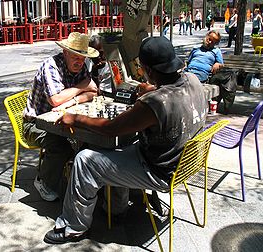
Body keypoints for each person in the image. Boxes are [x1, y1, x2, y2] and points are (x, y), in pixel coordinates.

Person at [43, 36, 208, 244]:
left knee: (85, 160)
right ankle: (117, 209)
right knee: (121, 146)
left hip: (159, 170)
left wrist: (75, 118)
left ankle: (72, 227)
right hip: (185, 162)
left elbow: (111, 129)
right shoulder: (193, 79)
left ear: (148, 69)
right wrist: (154, 89)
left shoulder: (155, 103)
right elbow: (172, 91)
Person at [23, 32, 99, 201]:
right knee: (60, 146)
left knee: (91, 138)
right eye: (75, 57)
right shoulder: (51, 66)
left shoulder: (81, 66)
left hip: (61, 119)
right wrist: (81, 88)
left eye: (82, 57)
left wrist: (69, 102)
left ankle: (80, 179)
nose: (79, 62)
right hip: (36, 123)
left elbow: (93, 92)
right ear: (65, 52)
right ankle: (43, 181)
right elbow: (55, 100)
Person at [185, 31, 236, 114]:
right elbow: (188, 62)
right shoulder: (196, 49)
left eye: (214, 41)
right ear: (206, 36)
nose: (210, 42)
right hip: (188, 72)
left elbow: (221, 64)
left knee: (189, 84)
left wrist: (218, 64)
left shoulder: (216, 51)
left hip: (201, 75)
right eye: (210, 39)